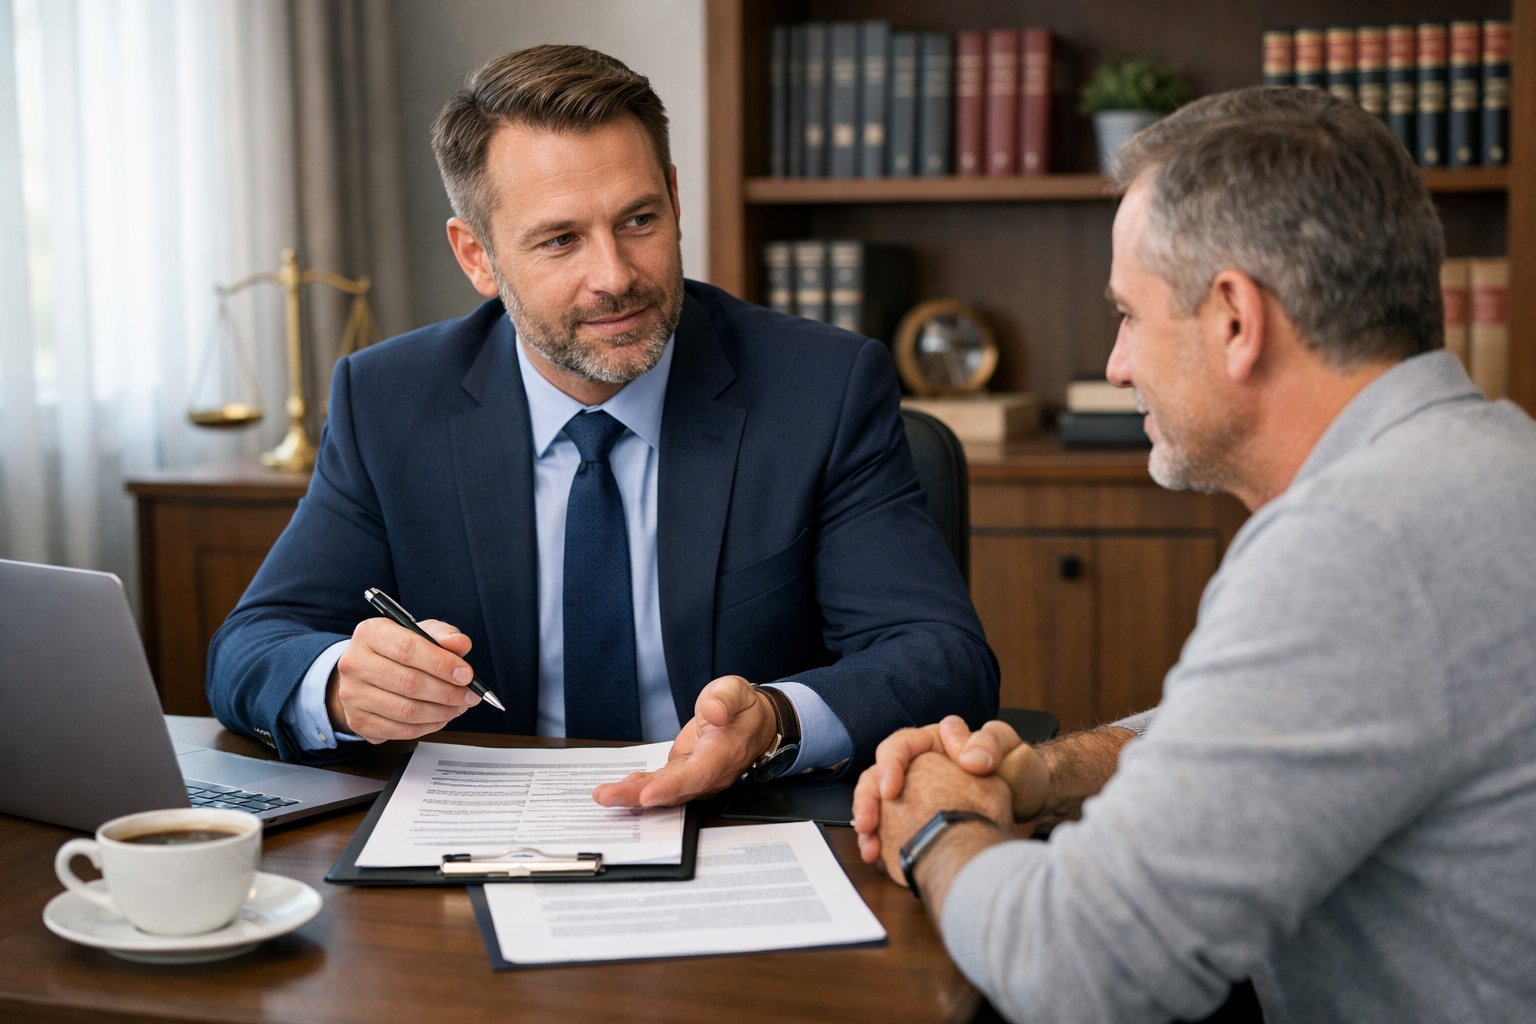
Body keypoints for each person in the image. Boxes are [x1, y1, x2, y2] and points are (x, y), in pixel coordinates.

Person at [853, 86, 1536, 1022]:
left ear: (1234, 319)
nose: (1117, 364)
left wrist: (939, 821)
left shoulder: (1354, 548)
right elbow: (1267, 731)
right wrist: (1047, 772)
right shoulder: (1490, 464)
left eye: (1130, 314)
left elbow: (1078, 969)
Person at [206, 44, 997, 807]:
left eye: (639, 221)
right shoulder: (389, 401)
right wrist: (341, 683)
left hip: (738, 829)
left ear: (676, 201)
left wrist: (777, 721)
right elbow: (252, 644)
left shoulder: (819, 390)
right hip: (481, 840)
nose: (614, 277)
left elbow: (939, 654)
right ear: (476, 256)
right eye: (560, 240)